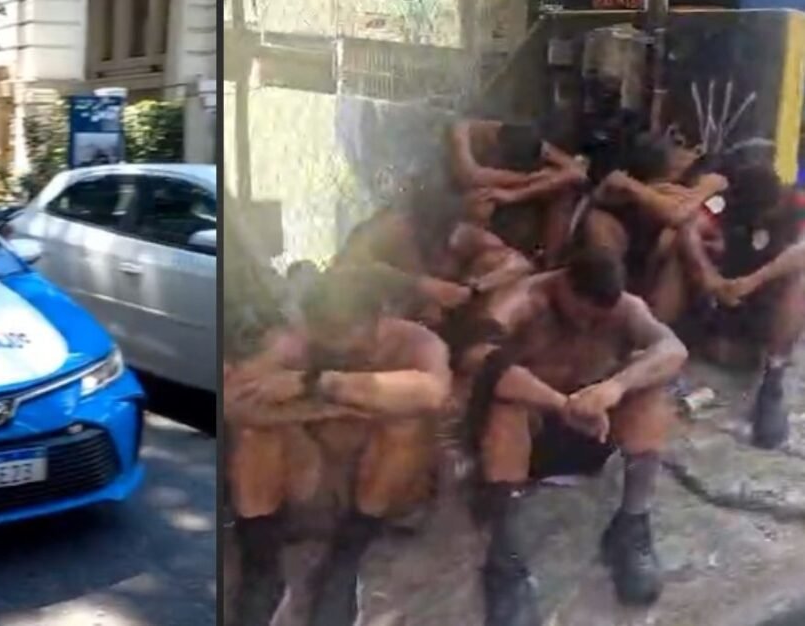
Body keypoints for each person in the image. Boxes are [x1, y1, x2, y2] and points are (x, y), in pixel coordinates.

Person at [457, 249, 687, 625]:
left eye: (598, 319)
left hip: (590, 431)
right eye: (581, 312)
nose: (585, 325)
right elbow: (477, 360)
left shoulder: (627, 309)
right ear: (564, 284)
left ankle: (632, 524)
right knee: (506, 402)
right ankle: (504, 560)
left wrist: (615, 386)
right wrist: (562, 404)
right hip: (526, 439)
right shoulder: (521, 301)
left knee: (652, 391)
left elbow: (674, 350)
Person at [225, 265, 453, 626]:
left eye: (350, 340)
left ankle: (347, 561)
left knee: (406, 418)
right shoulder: (294, 342)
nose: (340, 350)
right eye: (328, 343)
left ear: (379, 320)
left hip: (384, 487)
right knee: (255, 432)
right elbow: (233, 402)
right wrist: (332, 407)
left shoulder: (417, 343)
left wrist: (317, 382)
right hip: (315, 480)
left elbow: (433, 393)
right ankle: (261, 562)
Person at [650, 163, 801, 448]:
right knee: (675, 253)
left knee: (800, 279)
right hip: (716, 300)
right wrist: (709, 278)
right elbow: (687, 229)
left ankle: (773, 378)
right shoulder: (727, 203)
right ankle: (657, 350)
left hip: (762, 307)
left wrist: (754, 281)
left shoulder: (796, 205)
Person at [331, 185, 536, 329]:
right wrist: (420, 285)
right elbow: (347, 274)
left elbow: (519, 265)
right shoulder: (390, 230)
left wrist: (475, 288)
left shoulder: (465, 242)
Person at [580, 132, 728, 292]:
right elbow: (676, 215)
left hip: (652, 263)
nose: (694, 154)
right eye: (681, 147)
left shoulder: (680, 186)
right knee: (599, 223)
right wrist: (704, 190)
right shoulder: (621, 182)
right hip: (613, 262)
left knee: (674, 238)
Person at [449, 118, 589, 265]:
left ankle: (550, 262)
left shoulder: (526, 144)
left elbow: (577, 173)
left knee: (562, 189)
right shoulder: (465, 131)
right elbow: (470, 175)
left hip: (535, 181)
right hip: (521, 177)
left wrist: (515, 194)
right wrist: (526, 182)